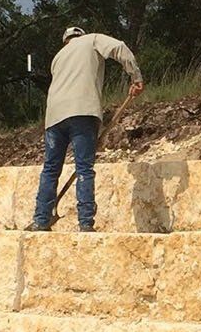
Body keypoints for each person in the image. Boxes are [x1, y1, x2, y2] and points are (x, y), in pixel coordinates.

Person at [30, 26, 143, 233]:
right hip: (82, 111)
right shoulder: (92, 40)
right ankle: (85, 223)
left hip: (54, 117)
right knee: (84, 168)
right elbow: (119, 47)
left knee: (50, 169)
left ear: (66, 41)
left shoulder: (57, 57)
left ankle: (41, 220)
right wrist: (135, 77)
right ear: (80, 36)